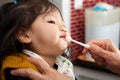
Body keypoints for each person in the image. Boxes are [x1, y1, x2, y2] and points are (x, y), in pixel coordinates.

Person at [0, 0, 76, 80]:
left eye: (63, 24)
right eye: (52, 22)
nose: (63, 28)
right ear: (24, 35)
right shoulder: (19, 69)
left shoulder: (63, 65)